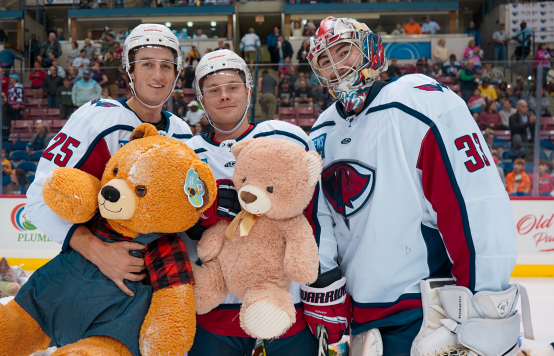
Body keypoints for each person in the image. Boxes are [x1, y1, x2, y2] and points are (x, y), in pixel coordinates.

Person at [307, 17, 518, 355]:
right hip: (358, 320)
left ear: (369, 48)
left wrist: (485, 304)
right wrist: (325, 287)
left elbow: (473, 201)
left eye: (343, 50)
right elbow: (320, 220)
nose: (334, 65)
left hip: (425, 315)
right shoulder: (321, 130)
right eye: (323, 60)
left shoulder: (417, 100)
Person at [24, 26, 193, 340]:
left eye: (166, 66)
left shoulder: (183, 132)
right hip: (92, 285)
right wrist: (98, 251)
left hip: (155, 287)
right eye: (147, 64)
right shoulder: (97, 118)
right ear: (129, 71)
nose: (158, 74)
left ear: (176, 74)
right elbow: (38, 198)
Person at [185, 49, 318, 356]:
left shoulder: (287, 137)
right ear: (201, 99)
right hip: (212, 311)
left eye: (232, 87)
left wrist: (320, 286)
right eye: (214, 90)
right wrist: (205, 216)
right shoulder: (186, 153)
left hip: (284, 303)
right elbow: (174, 222)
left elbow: (313, 214)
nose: (224, 96)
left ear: (249, 90)